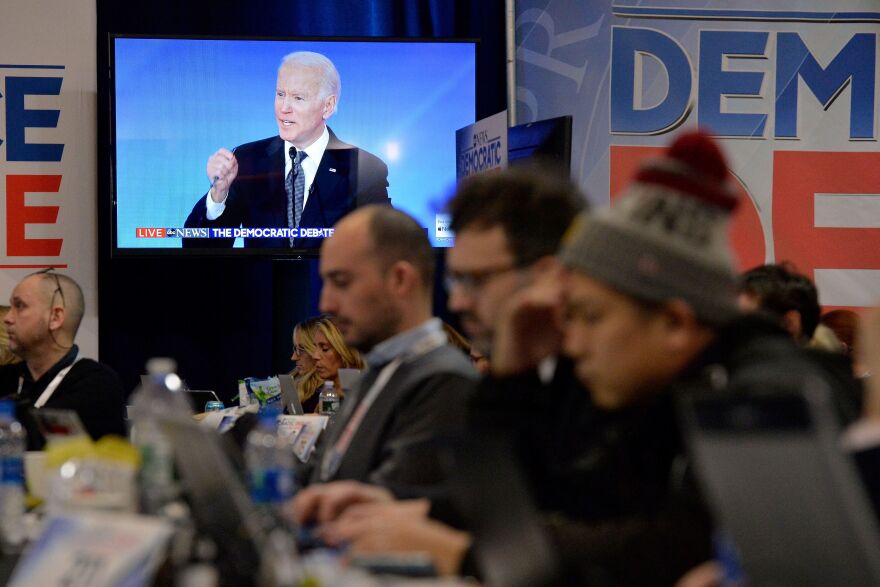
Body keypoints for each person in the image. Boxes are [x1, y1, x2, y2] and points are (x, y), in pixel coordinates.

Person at [299, 132, 861, 585]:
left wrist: (465, 552)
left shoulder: (771, 397)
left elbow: (661, 549)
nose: (574, 336)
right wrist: (424, 512)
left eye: (588, 315)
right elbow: (550, 506)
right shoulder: (633, 384)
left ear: (673, 322)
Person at [303, 204, 477, 490]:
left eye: (341, 282)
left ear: (400, 280)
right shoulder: (379, 371)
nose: (326, 304)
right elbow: (326, 475)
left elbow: (376, 504)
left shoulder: (443, 382)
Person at [183, 51, 390, 250]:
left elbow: (384, 248)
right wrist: (218, 194)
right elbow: (197, 249)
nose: (284, 108)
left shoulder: (365, 169)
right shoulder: (248, 160)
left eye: (298, 98)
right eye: (280, 94)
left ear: (328, 106)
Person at [0, 270, 126, 450]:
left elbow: (41, 440)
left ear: (55, 317)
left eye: (20, 306)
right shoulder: (8, 378)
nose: (7, 318)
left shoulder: (98, 385)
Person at [309, 315, 364, 400]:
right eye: (315, 347)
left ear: (345, 351)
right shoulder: (321, 393)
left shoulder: (359, 396)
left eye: (325, 348)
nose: (314, 356)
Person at [291, 316, 324, 413]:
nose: (293, 357)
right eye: (295, 348)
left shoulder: (325, 394)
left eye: (302, 349)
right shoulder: (294, 381)